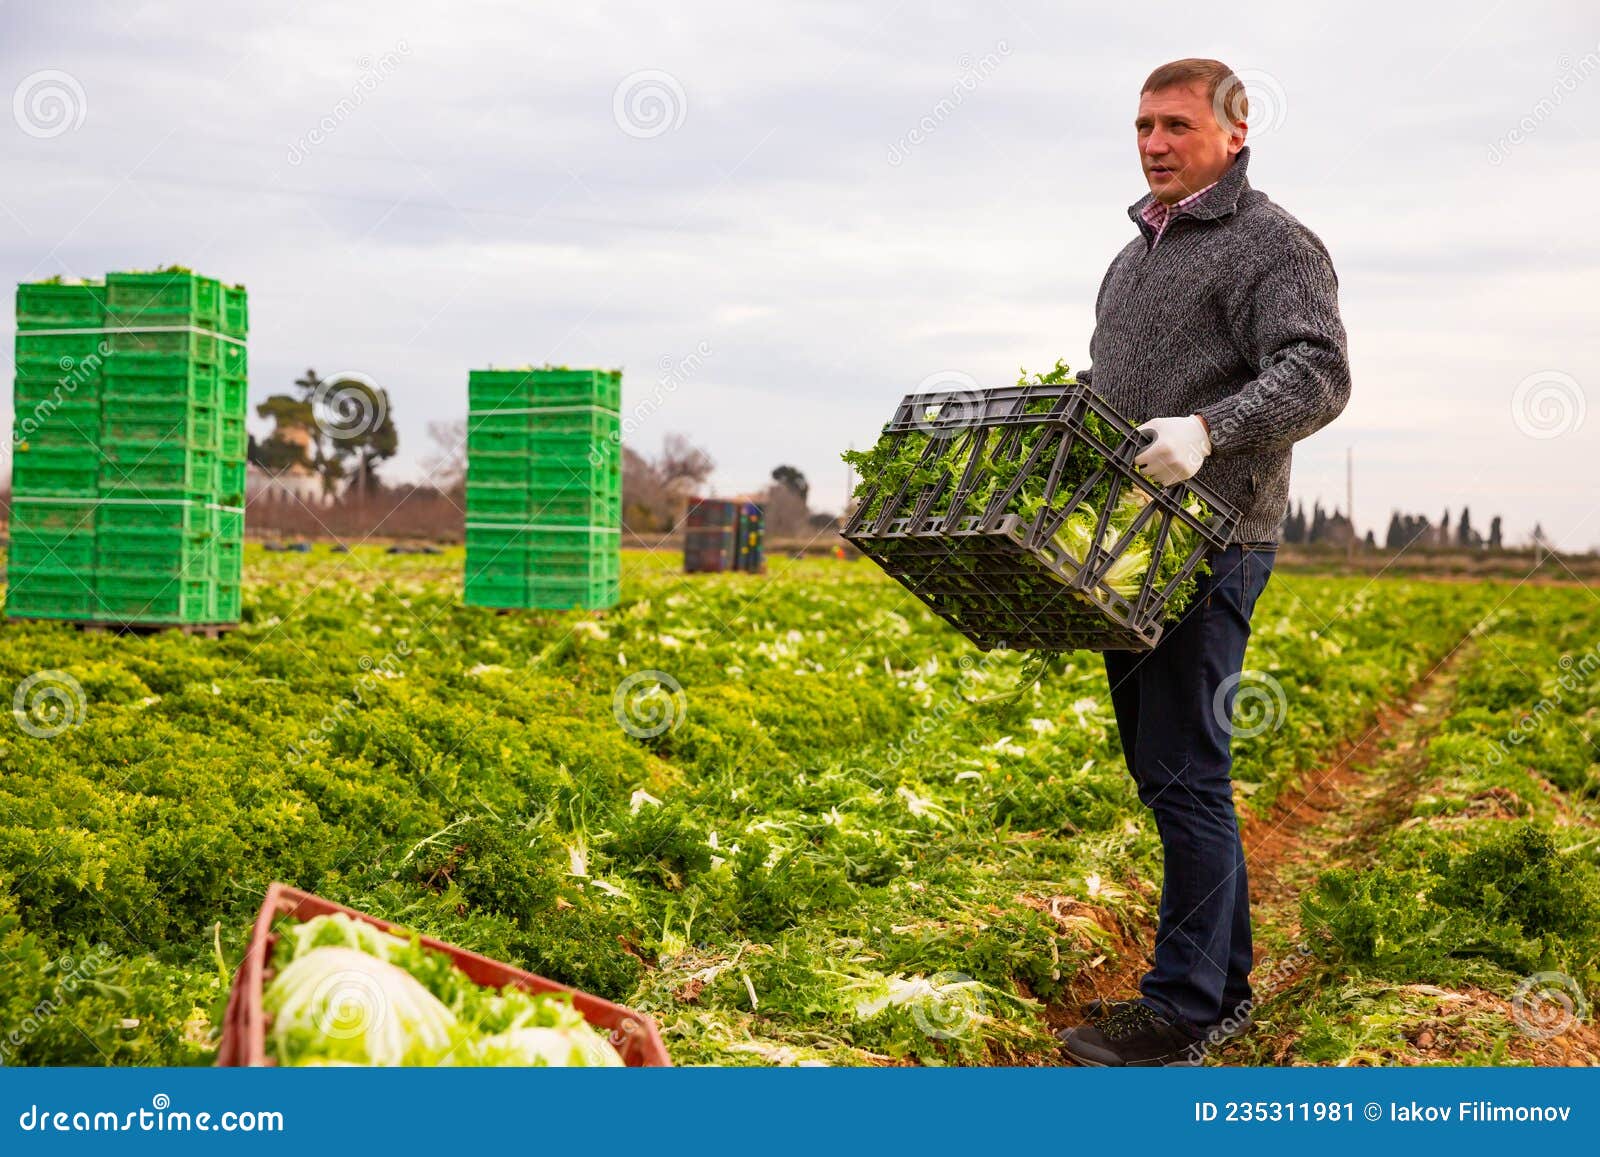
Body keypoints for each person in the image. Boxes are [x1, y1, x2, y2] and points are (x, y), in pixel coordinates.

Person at [1057, 58, 1351, 1067]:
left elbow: (1318, 372)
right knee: (1165, 770)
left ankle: (1183, 1005)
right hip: (1129, 552)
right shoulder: (1131, 256)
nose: (1152, 143)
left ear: (1233, 130)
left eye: (1175, 125)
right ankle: (1217, 988)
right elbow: (1112, 385)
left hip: (1212, 542)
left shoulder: (1273, 244)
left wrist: (1209, 430)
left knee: (1187, 770)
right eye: (1142, 124)